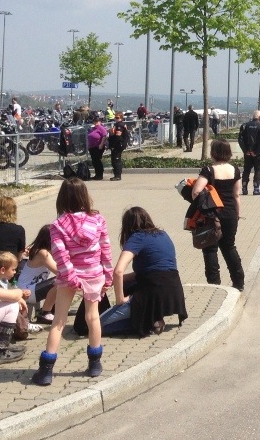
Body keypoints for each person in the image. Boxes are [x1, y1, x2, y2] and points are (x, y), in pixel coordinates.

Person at [30, 178, 113, 386]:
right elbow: (105, 249)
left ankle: (46, 371)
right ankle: (94, 364)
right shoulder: (98, 220)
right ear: (85, 195)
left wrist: (71, 277)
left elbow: (60, 254)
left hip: (69, 277)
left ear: (62, 198)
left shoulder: (58, 225)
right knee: (93, 317)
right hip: (94, 274)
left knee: (58, 321)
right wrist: (108, 274)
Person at [112, 207, 187, 337]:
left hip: (153, 292)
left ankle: (149, 318)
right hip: (174, 290)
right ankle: (155, 316)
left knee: (93, 326)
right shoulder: (163, 234)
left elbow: (118, 271)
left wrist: (120, 300)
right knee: (123, 283)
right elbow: (151, 271)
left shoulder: (137, 237)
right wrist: (114, 280)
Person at [193, 139, 245, 290]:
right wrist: (237, 214)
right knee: (229, 247)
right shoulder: (235, 170)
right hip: (230, 213)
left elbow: (196, 191)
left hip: (212, 215)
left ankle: (214, 285)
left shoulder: (208, 170)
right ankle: (238, 283)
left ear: (213, 152)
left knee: (210, 248)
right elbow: (236, 195)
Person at [19, 225, 58, 324]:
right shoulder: (43, 253)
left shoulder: (42, 250)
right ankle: (45, 313)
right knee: (60, 281)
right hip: (27, 290)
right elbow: (60, 271)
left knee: (62, 281)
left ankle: (54, 309)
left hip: (32, 288)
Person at [238, 110, 260, 195]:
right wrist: (256, 151)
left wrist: (246, 150)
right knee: (258, 170)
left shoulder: (245, 125)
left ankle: (244, 189)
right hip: (258, 153)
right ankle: (256, 189)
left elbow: (240, 139)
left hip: (247, 153)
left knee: (246, 170)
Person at [85, 116, 109, 181]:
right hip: (92, 147)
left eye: (97, 121)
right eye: (95, 121)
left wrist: (101, 144)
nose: (96, 123)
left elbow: (104, 136)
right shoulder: (93, 128)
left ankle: (100, 175)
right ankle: (97, 174)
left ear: (100, 122)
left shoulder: (101, 128)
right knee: (94, 161)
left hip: (98, 146)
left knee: (97, 160)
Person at [108, 113, 130, 181]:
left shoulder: (120, 125)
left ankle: (117, 176)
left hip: (118, 145)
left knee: (116, 160)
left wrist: (113, 144)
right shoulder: (118, 124)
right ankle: (116, 175)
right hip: (118, 144)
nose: (116, 119)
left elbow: (118, 136)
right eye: (115, 117)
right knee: (115, 160)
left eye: (118, 118)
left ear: (121, 118)